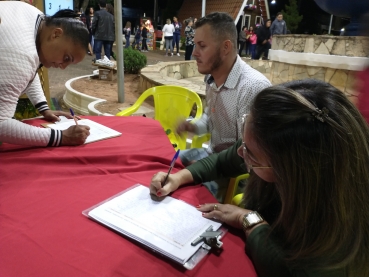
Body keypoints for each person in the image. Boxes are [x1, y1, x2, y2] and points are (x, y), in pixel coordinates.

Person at [150, 79, 369, 277]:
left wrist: (249, 221)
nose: (240, 152)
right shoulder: (268, 140)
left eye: (251, 153)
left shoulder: (336, 232)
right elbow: (220, 161)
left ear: (290, 173)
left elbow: (286, 270)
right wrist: (178, 178)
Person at [176, 12, 271, 201]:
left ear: (225, 47)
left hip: (237, 173)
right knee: (165, 161)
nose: (194, 52)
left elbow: (250, 154)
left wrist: (205, 168)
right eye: (195, 45)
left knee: (185, 198)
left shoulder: (252, 87)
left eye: (202, 46)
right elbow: (212, 118)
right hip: (211, 155)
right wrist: (193, 126)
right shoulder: (212, 78)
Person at [0, 1, 90, 146]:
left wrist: (43, 107)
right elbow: (1, 125)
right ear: (56, 34)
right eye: (66, 58)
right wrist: (61, 136)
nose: (63, 67)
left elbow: (29, 71)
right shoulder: (21, 53)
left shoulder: (35, 17)